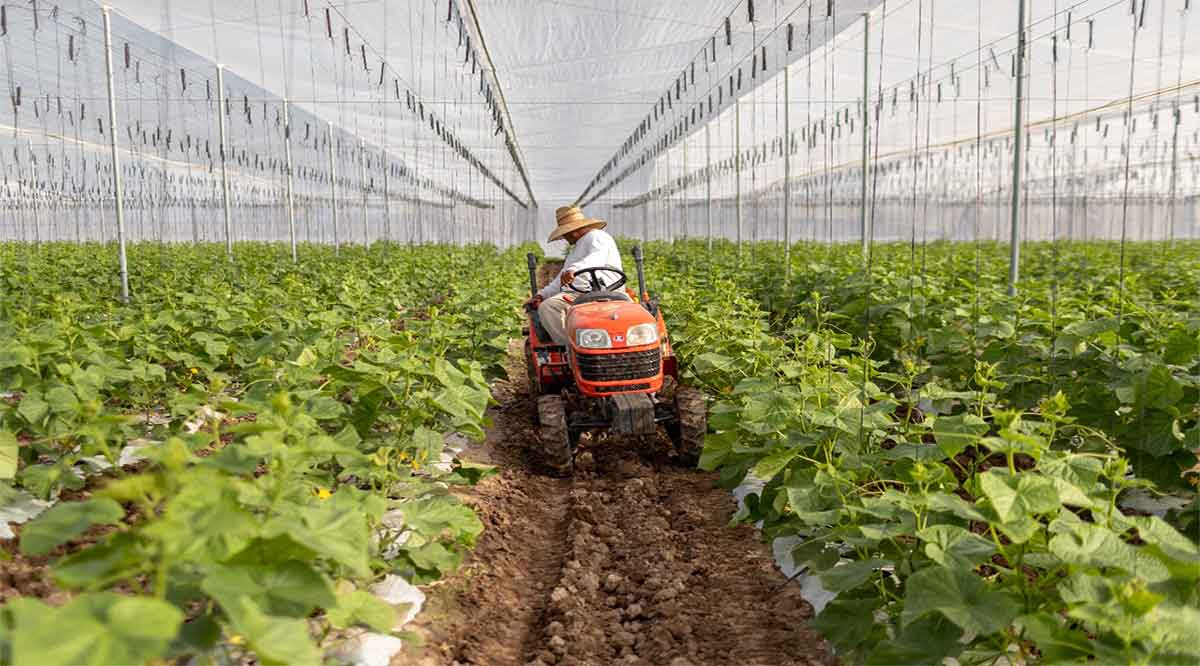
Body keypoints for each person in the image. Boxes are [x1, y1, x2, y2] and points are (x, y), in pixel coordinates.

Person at [525, 206, 622, 346]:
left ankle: (578, 346)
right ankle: (572, 347)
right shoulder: (576, 249)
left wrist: (574, 269)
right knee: (548, 307)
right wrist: (542, 294)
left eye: (565, 234)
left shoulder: (597, 236)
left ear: (573, 231)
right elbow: (561, 279)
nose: (564, 237)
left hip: (607, 292)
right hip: (578, 294)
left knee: (549, 308)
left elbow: (596, 257)